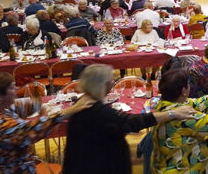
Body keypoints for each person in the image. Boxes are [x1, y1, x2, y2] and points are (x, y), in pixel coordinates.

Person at [62, 64, 195, 174]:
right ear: (104, 85)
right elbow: (133, 121)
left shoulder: (81, 102)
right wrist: (173, 113)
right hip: (97, 166)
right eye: (111, 80)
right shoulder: (97, 110)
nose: (113, 82)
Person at [0, 72, 95, 173]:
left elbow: (29, 105)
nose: (17, 89)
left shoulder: (5, 107)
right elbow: (29, 130)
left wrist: (44, 108)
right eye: (12, 88)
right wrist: (72, 109)